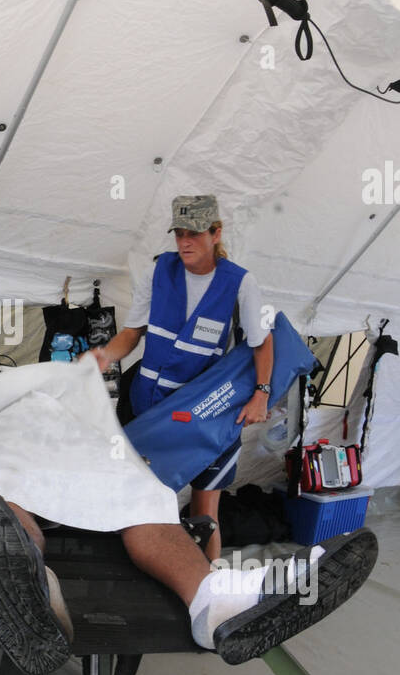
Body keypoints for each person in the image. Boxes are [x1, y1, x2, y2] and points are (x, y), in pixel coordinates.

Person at [0, 355, 376, 674]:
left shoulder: (59, 392)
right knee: (7, 488)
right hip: (16, 443)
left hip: (76, 447)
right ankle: (33, 593)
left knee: (139, 493)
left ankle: (215, 603)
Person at [94, 194, 273, 560]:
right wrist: (104, 355)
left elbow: (262, 342)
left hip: (202, 409)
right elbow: (133, 332)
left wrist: (261, 394)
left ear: (216, 233)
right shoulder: (160, 270)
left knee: (205, 507)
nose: (185, 242)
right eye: (179, 233)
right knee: (138, 491)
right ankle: (139, 576)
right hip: (149, 404)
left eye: (194, 233)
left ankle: (207, 590)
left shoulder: (239, 283)